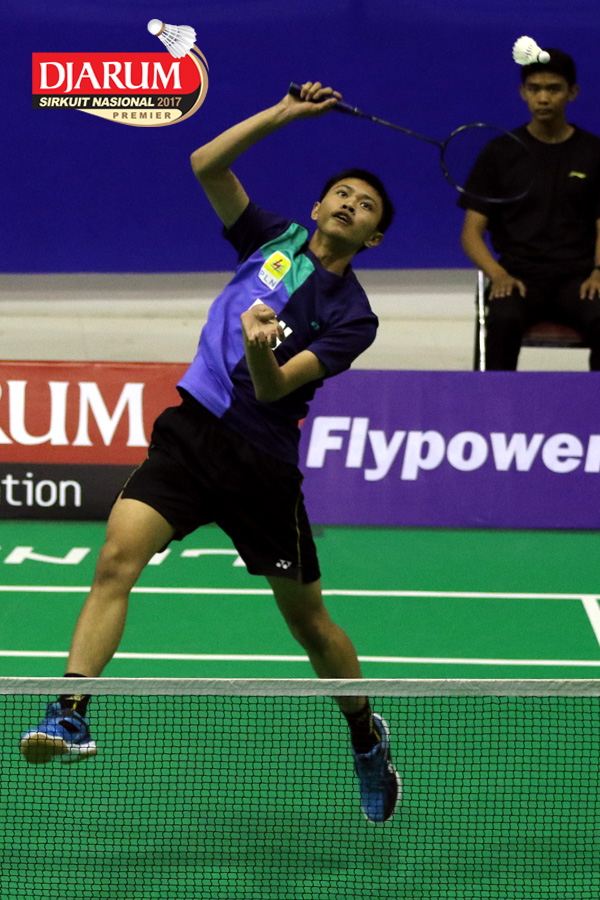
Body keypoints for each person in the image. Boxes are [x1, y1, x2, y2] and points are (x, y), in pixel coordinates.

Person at [20, 81, 400, 823]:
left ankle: (363, 732)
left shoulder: (355, 317)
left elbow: (275, 386)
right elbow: (206, 163)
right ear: (318, 206)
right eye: (342, 195)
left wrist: (260, 347)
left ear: (374, 238)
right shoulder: (271, 239)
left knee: (308, 624)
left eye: (366, 207)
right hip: (190, 435)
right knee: (116, 560)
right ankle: (70, 712)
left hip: (260, 465)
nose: (350, 205)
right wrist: (284, 114)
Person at [459, 48, 600, 370]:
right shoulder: (499, 153)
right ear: (523, 92)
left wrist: (599, 272)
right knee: (503, 320)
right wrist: (498, 275)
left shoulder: (594, 152)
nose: (544, 98)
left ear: (572, 92)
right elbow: (471, 233)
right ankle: (494, 402)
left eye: (554, 89)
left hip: (578, 278)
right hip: (518, 277)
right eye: (535, 89)